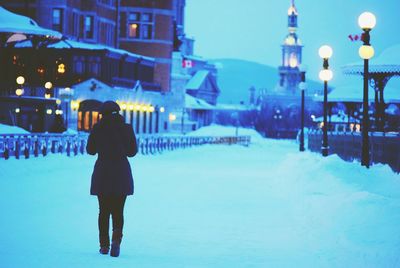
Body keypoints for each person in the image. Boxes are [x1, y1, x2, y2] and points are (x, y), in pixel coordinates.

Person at [86, 101, 138, 257]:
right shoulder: (126, 128)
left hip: (103, 172)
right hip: (121, 172)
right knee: (118, 211)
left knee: (103, 211)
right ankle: (116, 240)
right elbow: (132, 152)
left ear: (102, 114)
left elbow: (90, 150)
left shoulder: (98, 128)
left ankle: (104, 245)